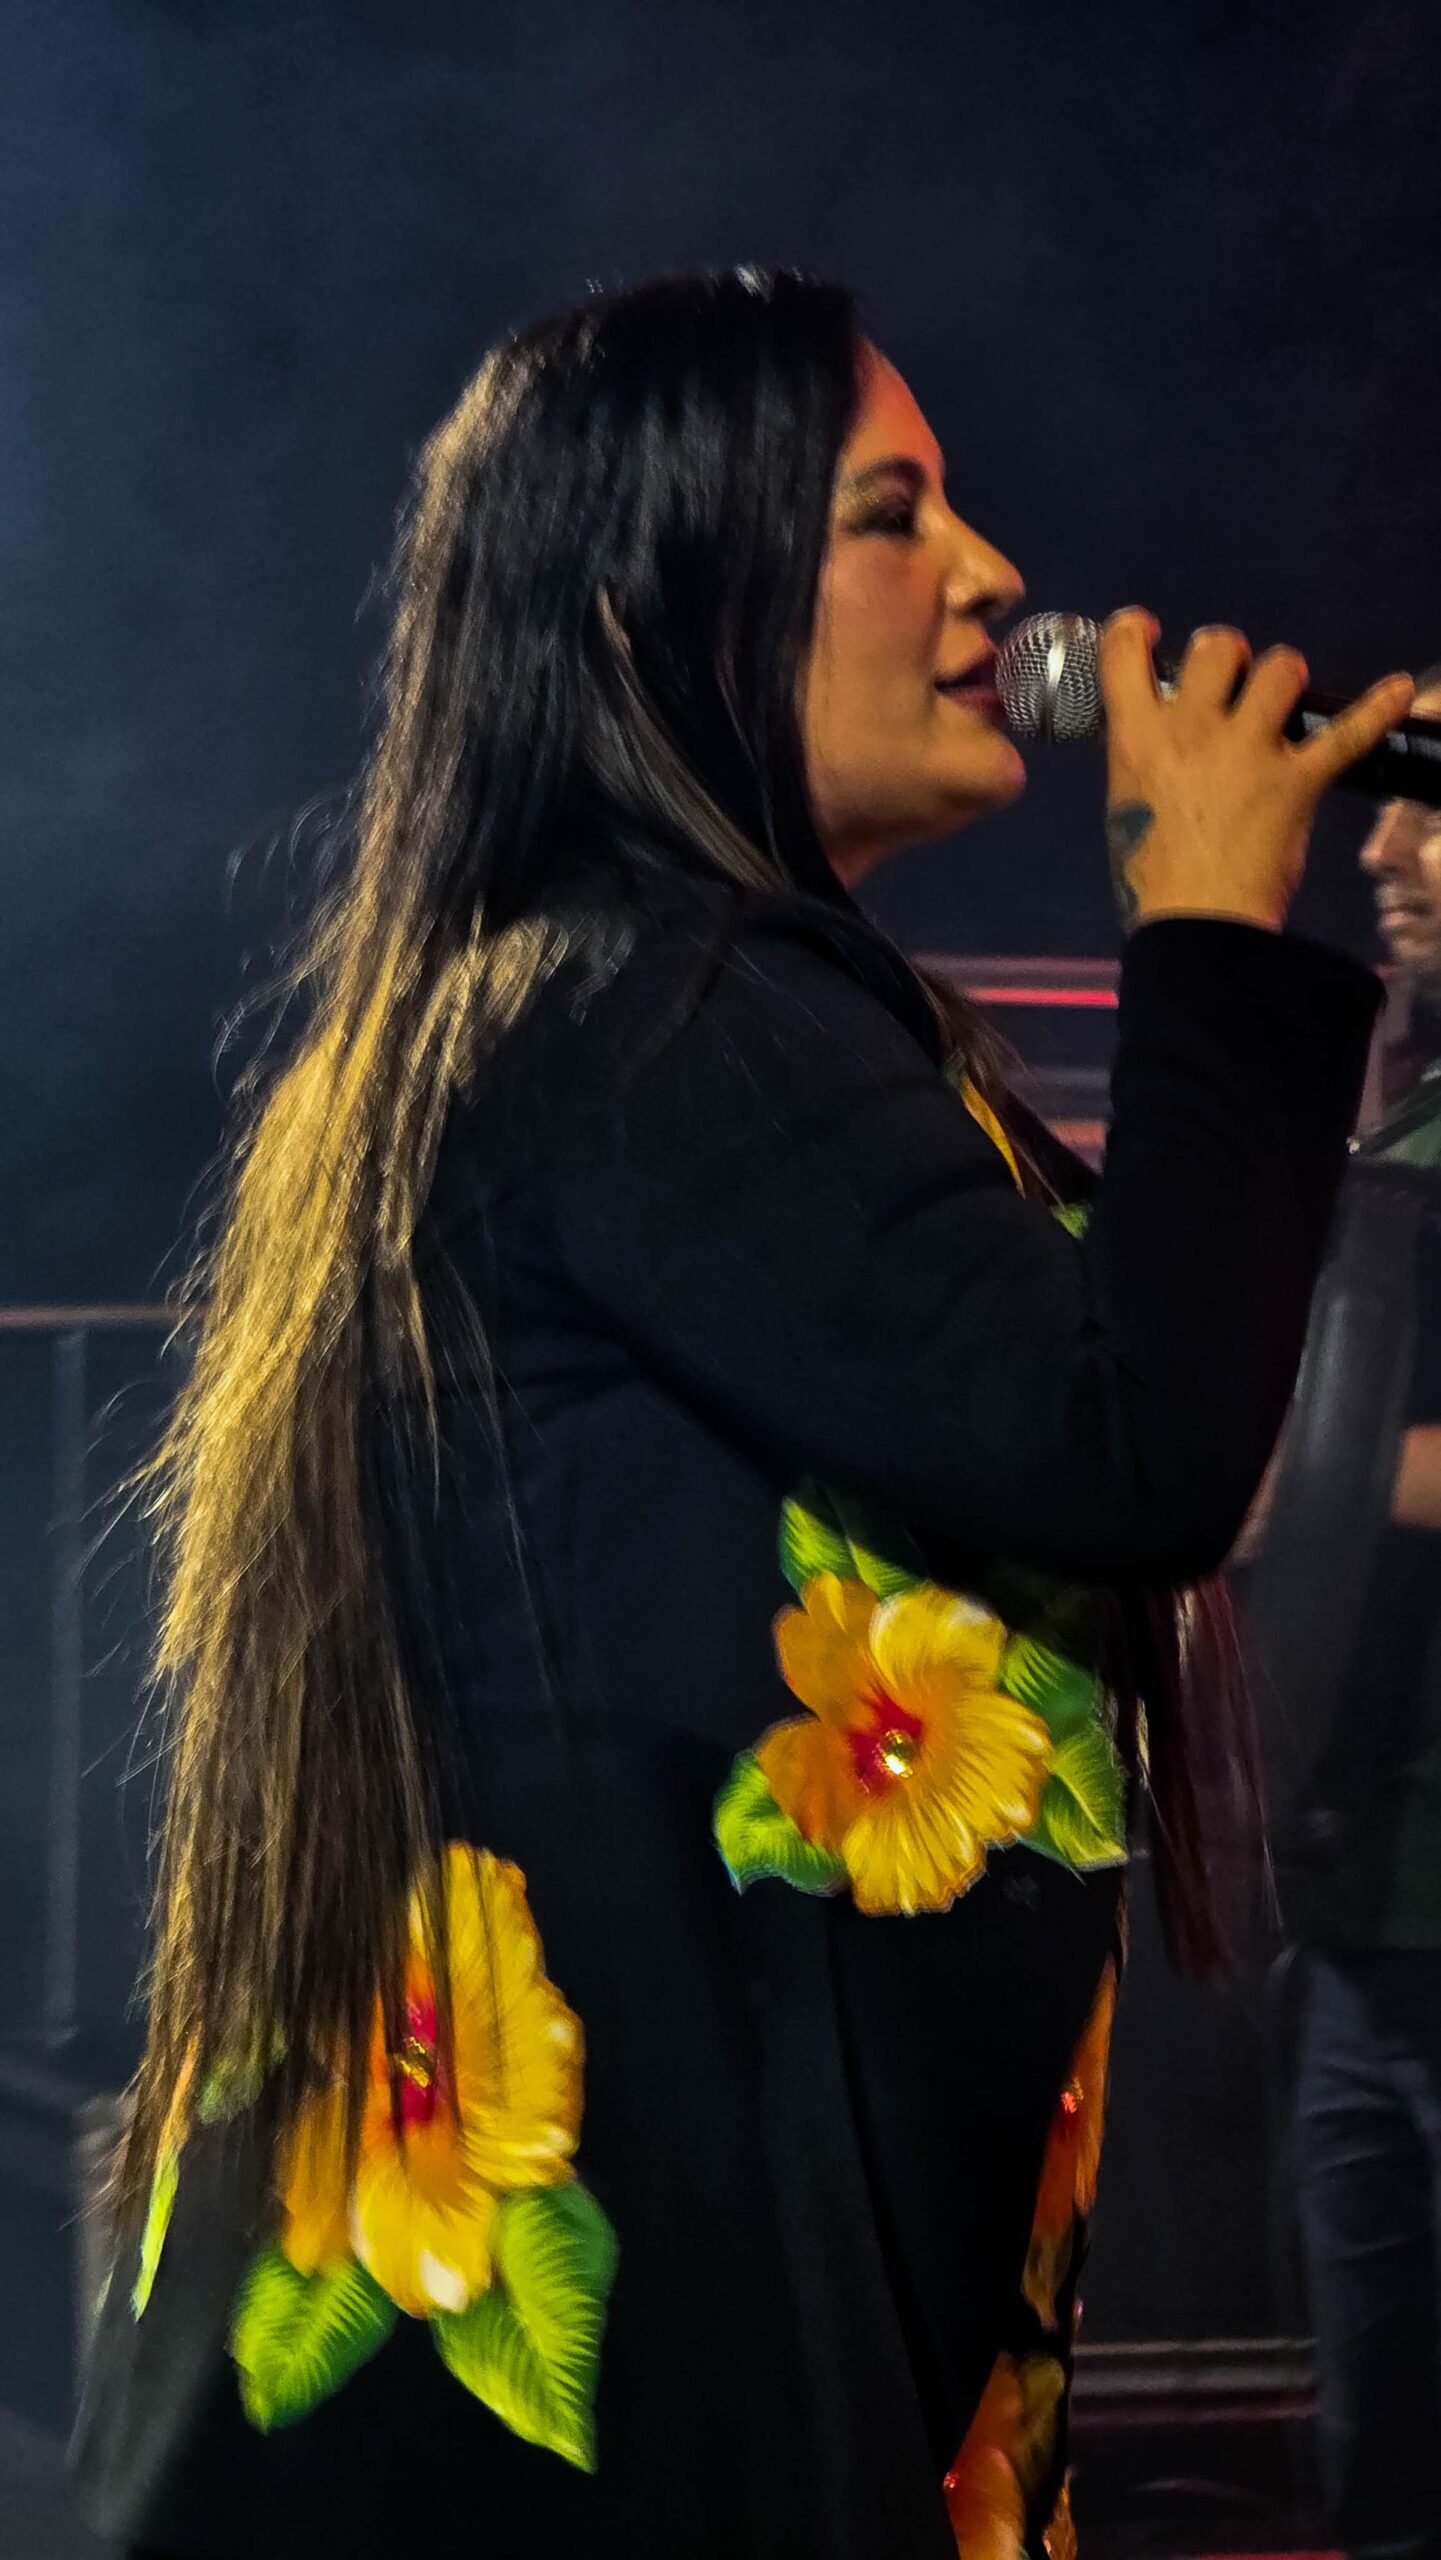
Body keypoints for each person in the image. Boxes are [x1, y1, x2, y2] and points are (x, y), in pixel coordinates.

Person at [72, 269, 1410, 2560]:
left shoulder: (673, 1008)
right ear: (646, 605)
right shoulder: (648, 1006)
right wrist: (1205, 934)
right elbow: (1133, 1441)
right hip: (620, 2367)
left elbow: (1128, 1363)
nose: (993, 575)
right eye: (894, 516)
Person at [1248, 669, 1441, 2560]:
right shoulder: (1411, 1101)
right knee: (1374, 2454)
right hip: (1364, 1912)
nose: (1378, 841)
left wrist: (1303, 1476)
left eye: (1431, 799)